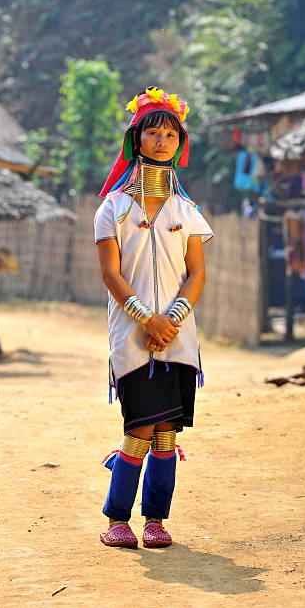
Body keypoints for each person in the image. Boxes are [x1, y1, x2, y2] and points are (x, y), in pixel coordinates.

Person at [94, 87, 214, 549]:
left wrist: (173, 319)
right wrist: (147, 319)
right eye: (153, 132)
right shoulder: (113, 208)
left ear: (179, 145)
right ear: (135, 140)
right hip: (132, 334)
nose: (162, 140)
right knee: (140, 427)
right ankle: (117, 519)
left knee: (167, 432)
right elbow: (110, 272)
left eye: (171, 134)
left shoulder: (188, 211)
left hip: (179, 337)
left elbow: (197, 273)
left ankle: (156, 521)